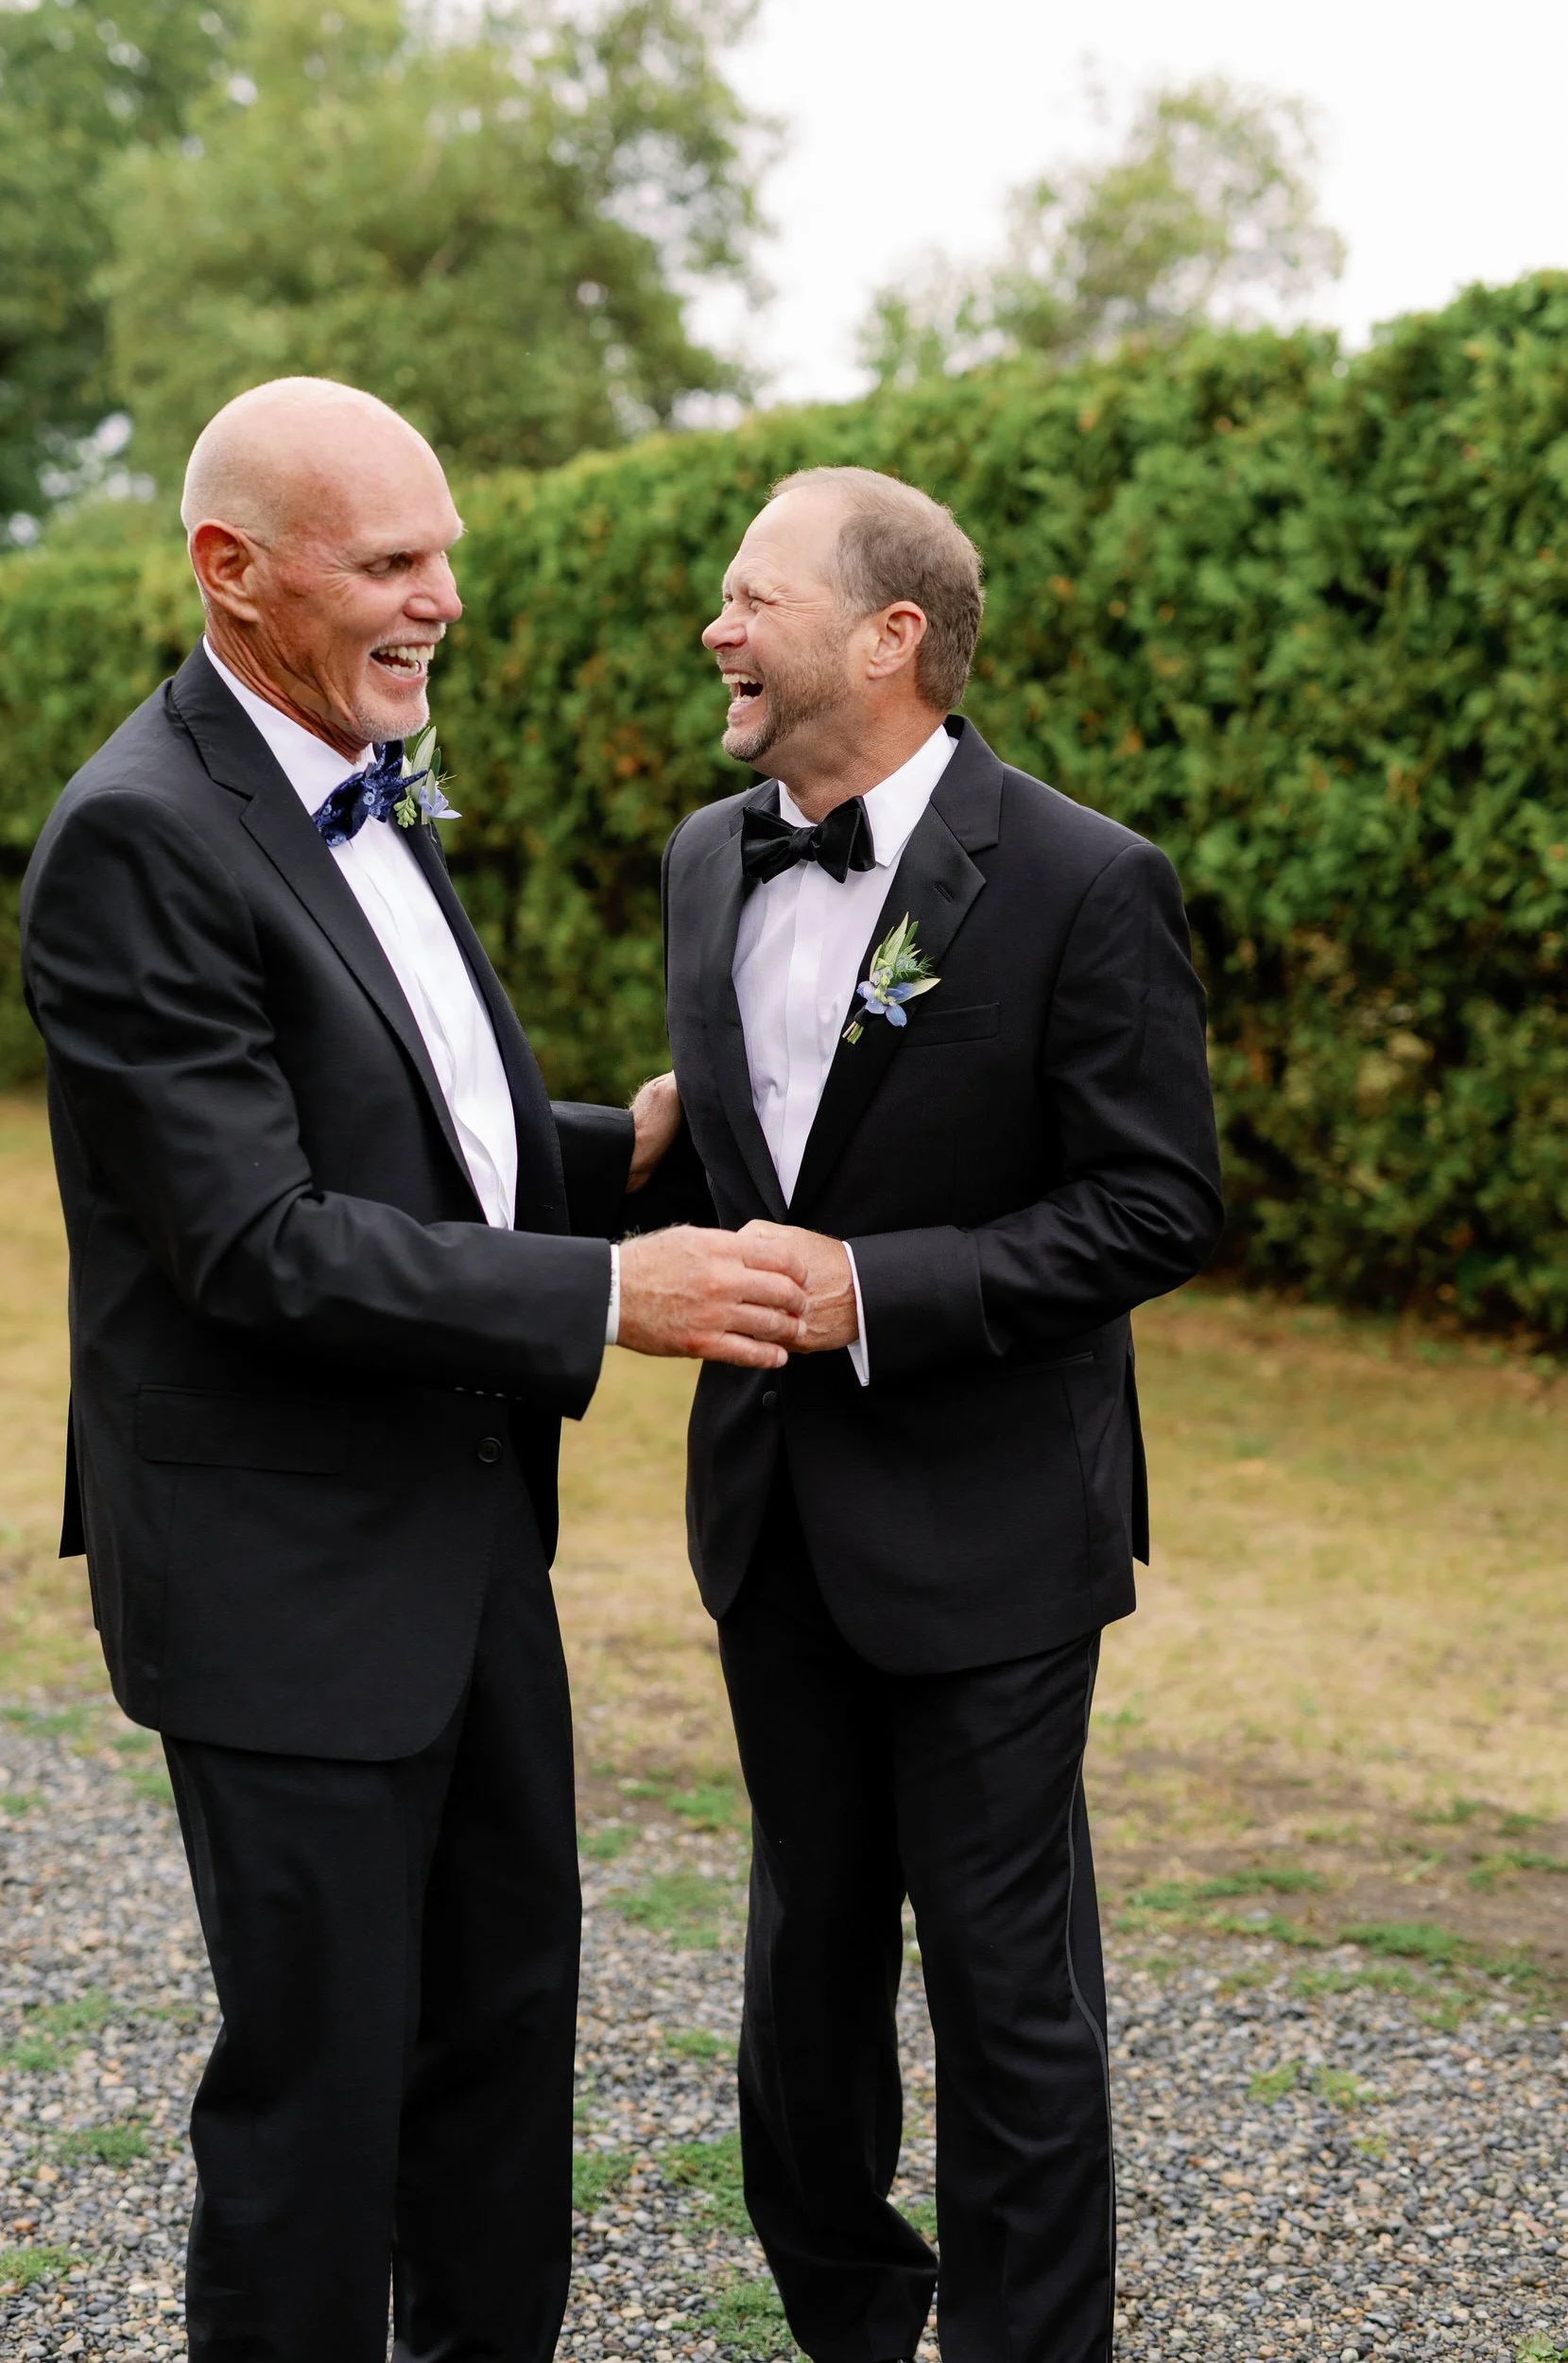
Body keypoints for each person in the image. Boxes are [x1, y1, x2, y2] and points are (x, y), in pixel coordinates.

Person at [18, 376, 806, 2363]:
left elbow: (410, 1124)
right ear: (233, 568)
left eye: (441, 553)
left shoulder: (360, 768)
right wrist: (602, 1293)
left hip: (462, 1551)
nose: (441, 597)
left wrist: (611, 1155)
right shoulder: (135, 837)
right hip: (281, 1578)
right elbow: (255, 1239)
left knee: (498, 2057)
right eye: (388, 560)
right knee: (319, 2102)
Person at [635, 466, 1225, 2363]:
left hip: (992, 1525)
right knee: (801, 1969)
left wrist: (872, 1292)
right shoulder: (703, 859)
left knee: (1002, 1983)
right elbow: (736, 1154)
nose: (717, 628)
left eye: (753, 596)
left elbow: (1154, 1204)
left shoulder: (1081, 878)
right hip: (767, 1517)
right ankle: (847, 2322)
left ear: (890, 636)